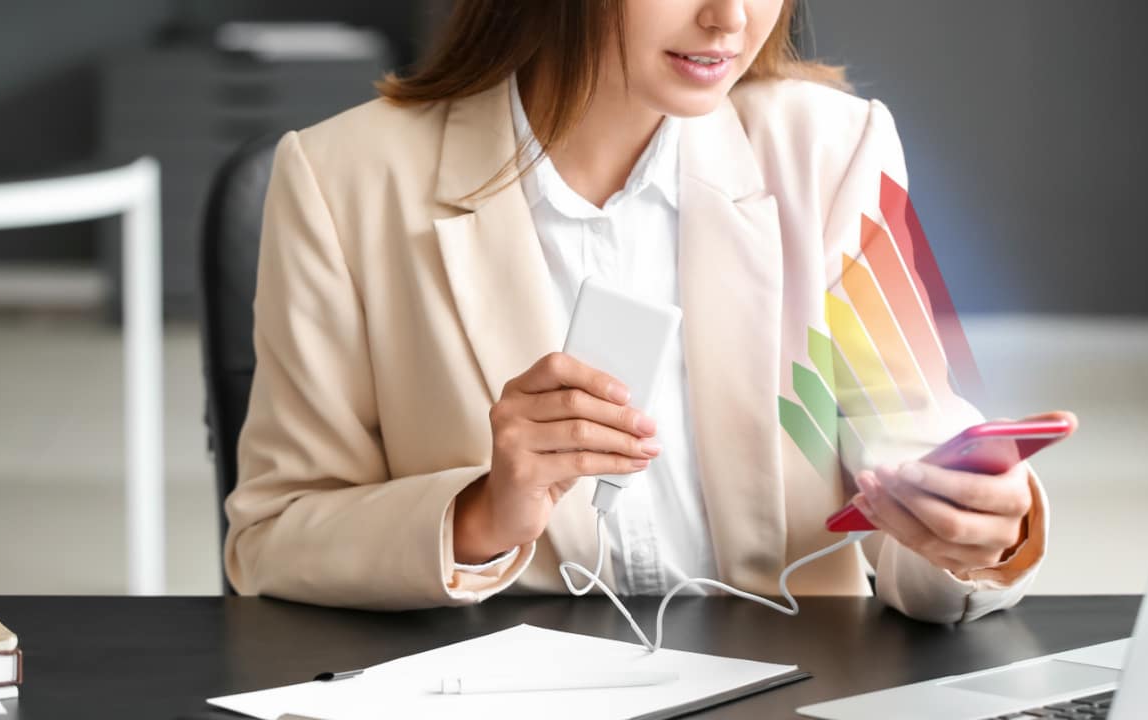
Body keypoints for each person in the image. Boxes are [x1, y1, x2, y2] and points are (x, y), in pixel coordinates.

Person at [224, 0, 1065, 623]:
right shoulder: (342, 179)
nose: (728, 18)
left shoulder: (832, 149)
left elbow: (903, 461)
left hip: (792, 687)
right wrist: (480, 513)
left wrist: (975, 532)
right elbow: (274, 533)